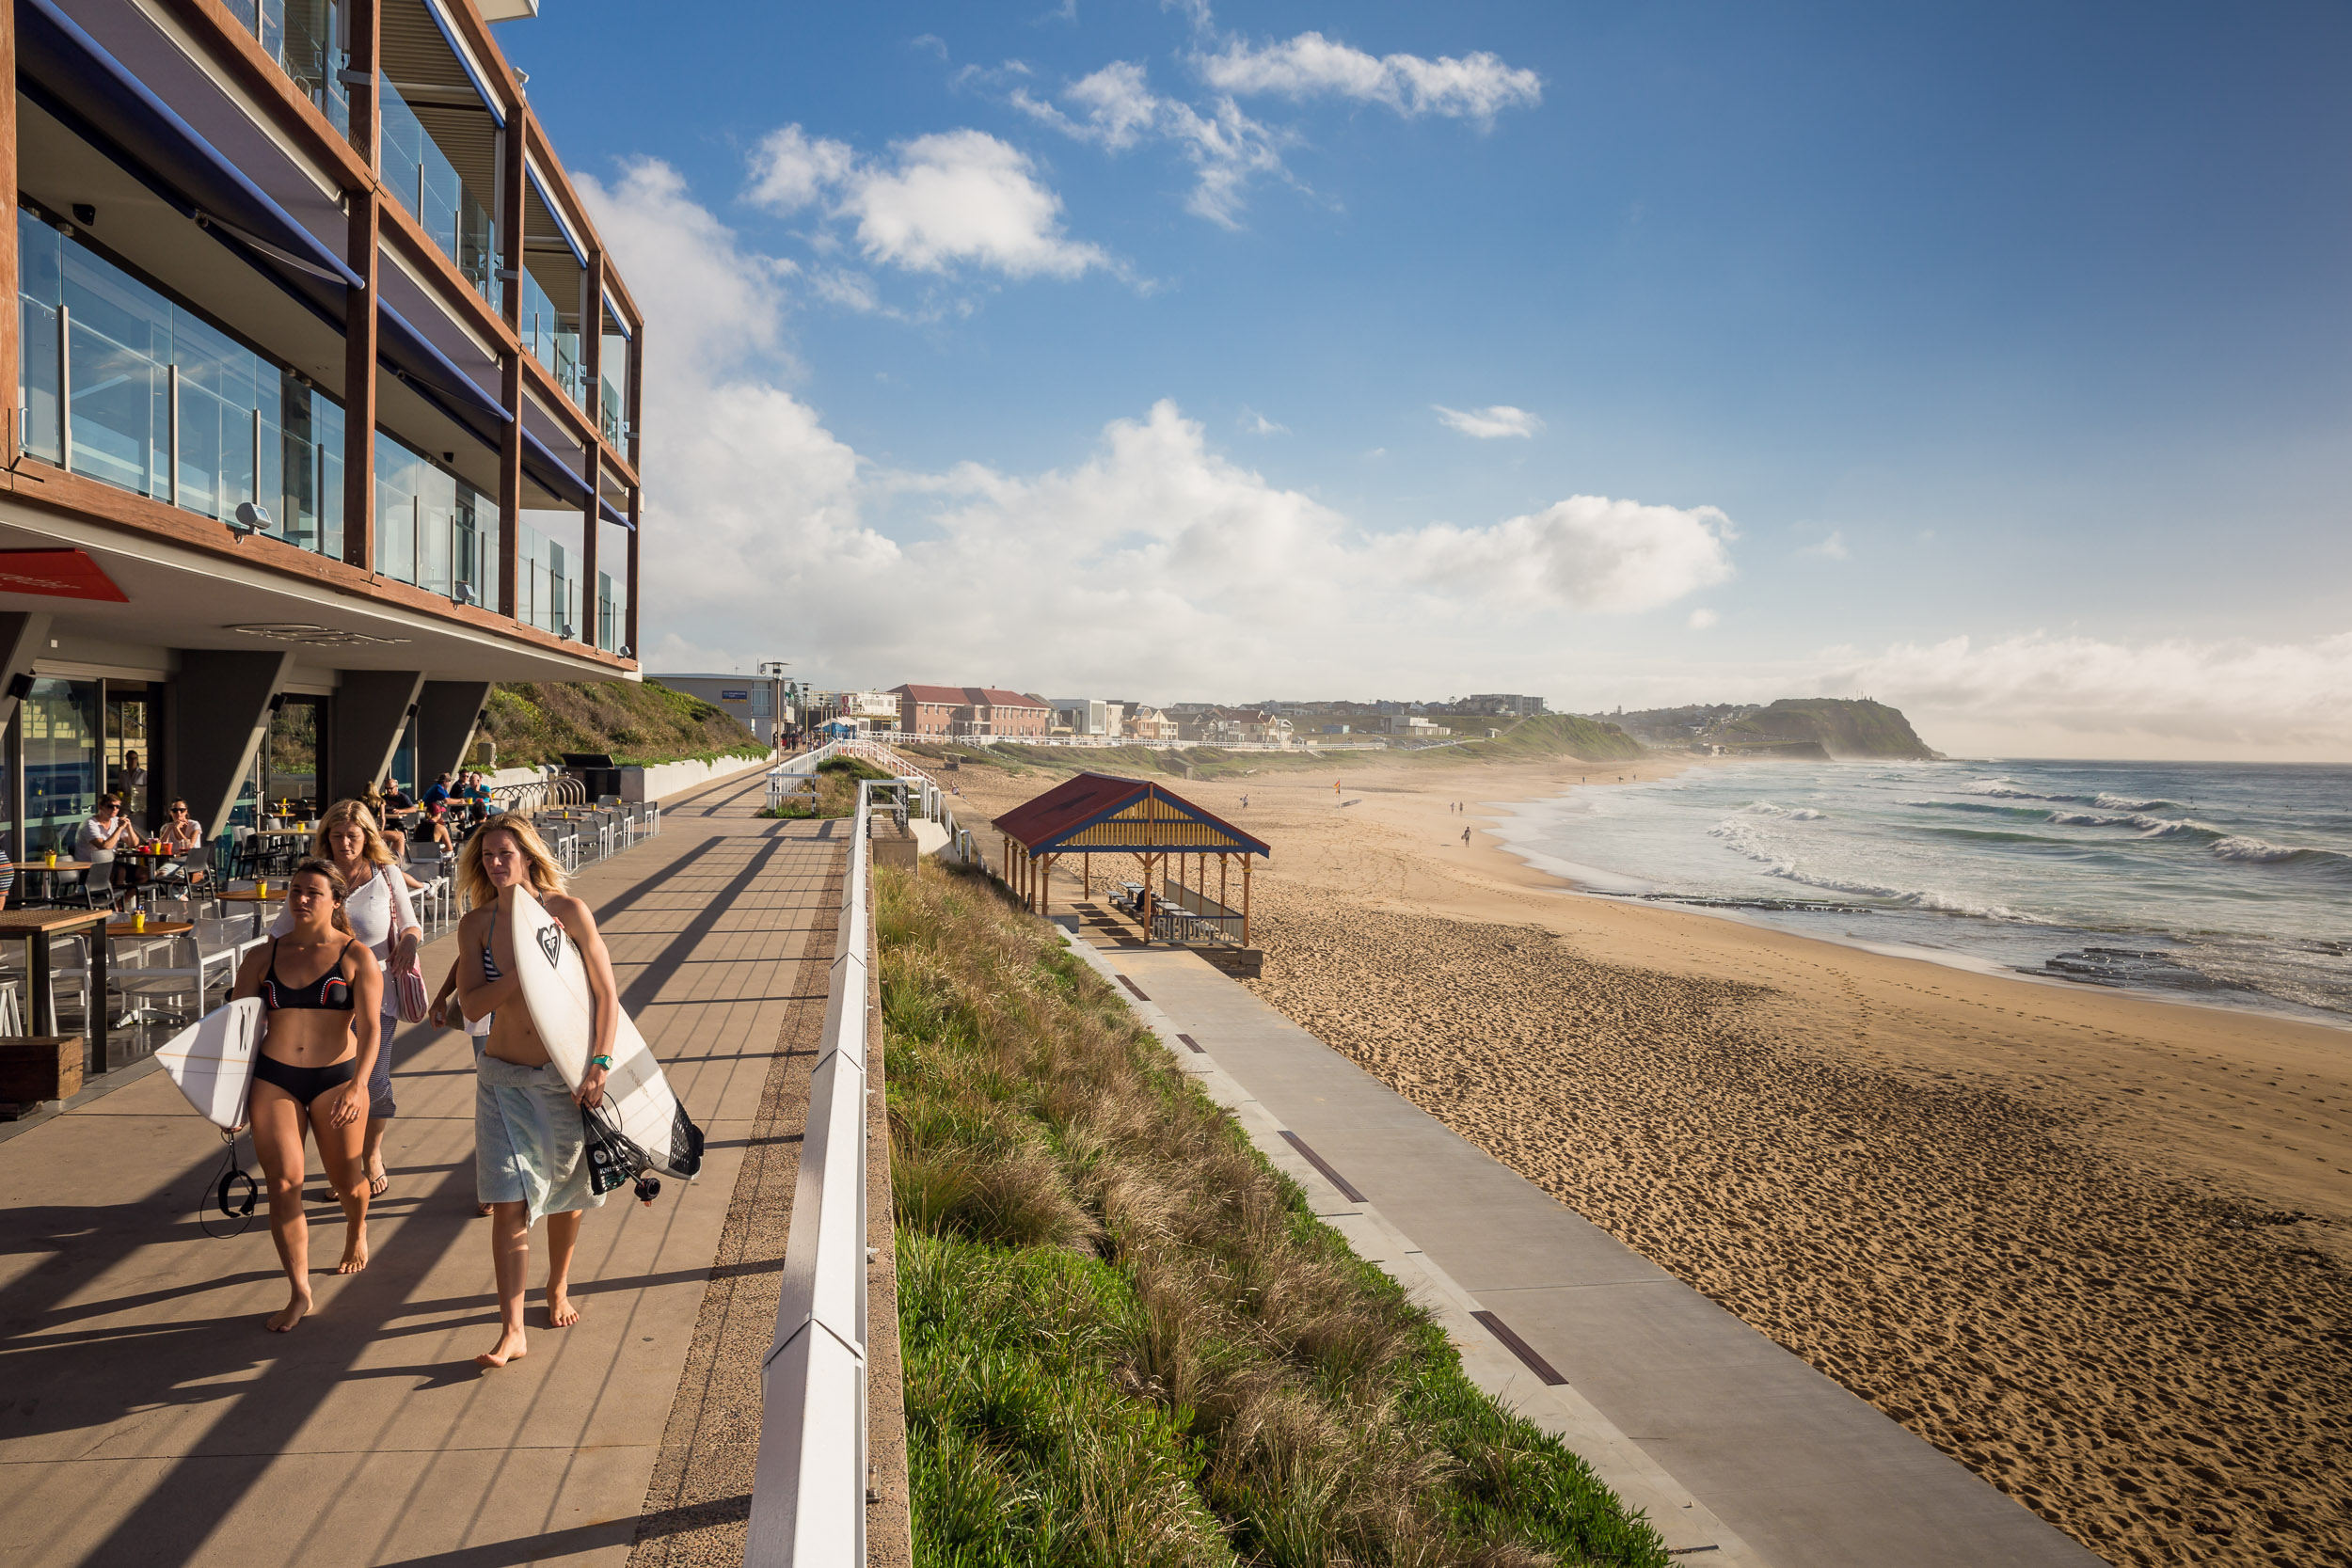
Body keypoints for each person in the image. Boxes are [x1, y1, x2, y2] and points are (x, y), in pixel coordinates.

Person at [455, 815, 625, 1367]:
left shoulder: (567, 912)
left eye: (506, 852)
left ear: (528, 855)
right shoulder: (477, 926)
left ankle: (557, 1287)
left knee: (566, 1196)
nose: (496, 863)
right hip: (501, 1078)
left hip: (562, 1076)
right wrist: (524, 967)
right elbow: (473, 1006)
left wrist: (599, 1064)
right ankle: (512, 1329)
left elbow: (605, 991)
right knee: (509, 1199)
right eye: (487, 856)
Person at [232, 858, 382, 1331]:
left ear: (336, 901)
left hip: (336, 1079)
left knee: (348, 1182)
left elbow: (373, 1029)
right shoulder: (262, 956)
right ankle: (299, 1291)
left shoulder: (356, 955)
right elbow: (235, 1032)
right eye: (295, 889)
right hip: (274, 1079)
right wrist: (227, 1098)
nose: (300, 899)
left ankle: (357, 1227)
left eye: (313, 892)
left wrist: (359, 1085)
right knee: (283, 1184)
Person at [271, 801, 421, 1200]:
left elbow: (409, 923)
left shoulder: (386, 874)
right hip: (325, 1000)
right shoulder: (317, 877)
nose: (344, 843)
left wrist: (408, 942)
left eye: (352, 836)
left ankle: (371, 1155)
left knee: (373, 1079)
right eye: (336, 836)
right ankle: (345, 1166)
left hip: (378, 995)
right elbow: (280, 930)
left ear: (367, 837)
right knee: (334, 1083)